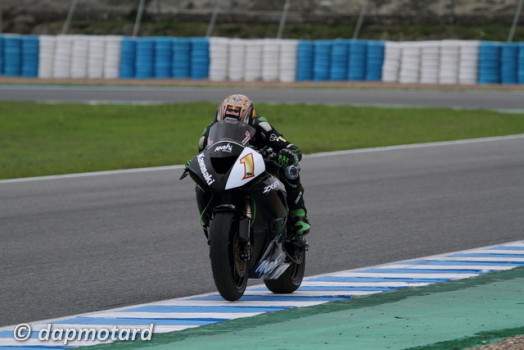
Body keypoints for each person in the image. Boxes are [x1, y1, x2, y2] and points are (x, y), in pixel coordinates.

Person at [195, 94, 310, 243]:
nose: (232, 122)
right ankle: (208, 219)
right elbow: (202, 153)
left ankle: (298, 213)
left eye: (237, 119)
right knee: (201, 182)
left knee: (291, 170)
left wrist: (286, 153)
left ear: (248, 115)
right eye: (227, 118)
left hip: (260, 163)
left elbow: (288, 146)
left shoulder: (261, 125)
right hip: (229, 168)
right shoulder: (211, 129)